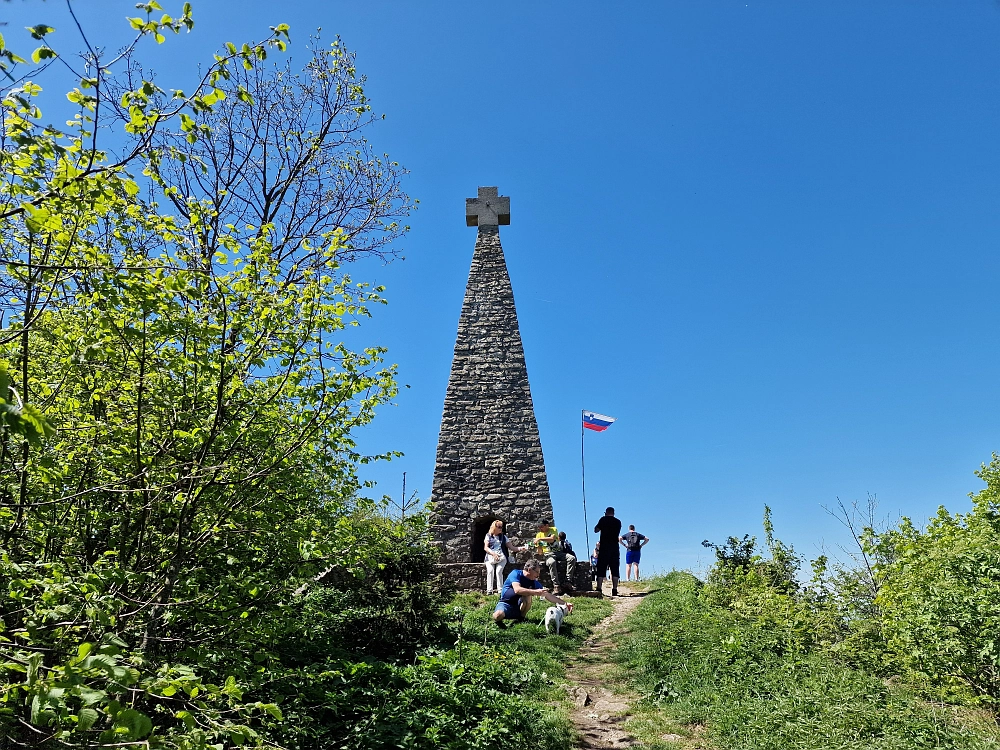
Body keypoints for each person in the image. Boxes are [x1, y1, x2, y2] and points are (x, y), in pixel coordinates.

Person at [492, 559, 573, 627]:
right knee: (498, 615)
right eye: (537, 572)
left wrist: (565, 603)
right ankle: (499, 624)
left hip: (519, 606)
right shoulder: (515, 573)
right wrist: (535, 592)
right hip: (506, 604)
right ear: (529, 570)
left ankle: (521, 618)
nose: (538, 575)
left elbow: (547, 595)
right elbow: (517, 590)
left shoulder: (533, 582)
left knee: (528, 595)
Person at [483, 519, 526, 595]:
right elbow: (486, 548)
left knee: (499, 571)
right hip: (490, 557)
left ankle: (500, 590)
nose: (500, 528)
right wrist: (493, 554)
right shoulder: (488, 536)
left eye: (501, 527)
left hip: (501, 558)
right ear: (494, 527)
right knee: (490, 571)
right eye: (499, 527)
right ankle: (489, 591)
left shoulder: (504, 537)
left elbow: (512, 548)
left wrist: (521, 548)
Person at [534, 520, 577, 595]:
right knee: (551, 562)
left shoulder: (553, 529)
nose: (540, 528)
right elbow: (540, 552)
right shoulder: (538, 535)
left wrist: (540, 539)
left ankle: (567, 582)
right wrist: (538, 546)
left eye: (541, 526)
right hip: (548, 554)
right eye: (539, 527)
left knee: (571, 558)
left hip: (558, 553)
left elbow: (552, 539)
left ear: (547, 525)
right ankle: (556, 585)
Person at [594, 507, 622, 597]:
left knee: (601, 567)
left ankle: (599, 588)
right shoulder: (618, 522)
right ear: (614, 513)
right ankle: (614, 589)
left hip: (604, 547)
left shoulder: (603, 520)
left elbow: (596, 530)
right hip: (614, 547)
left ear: (606, 512)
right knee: (615, 568)